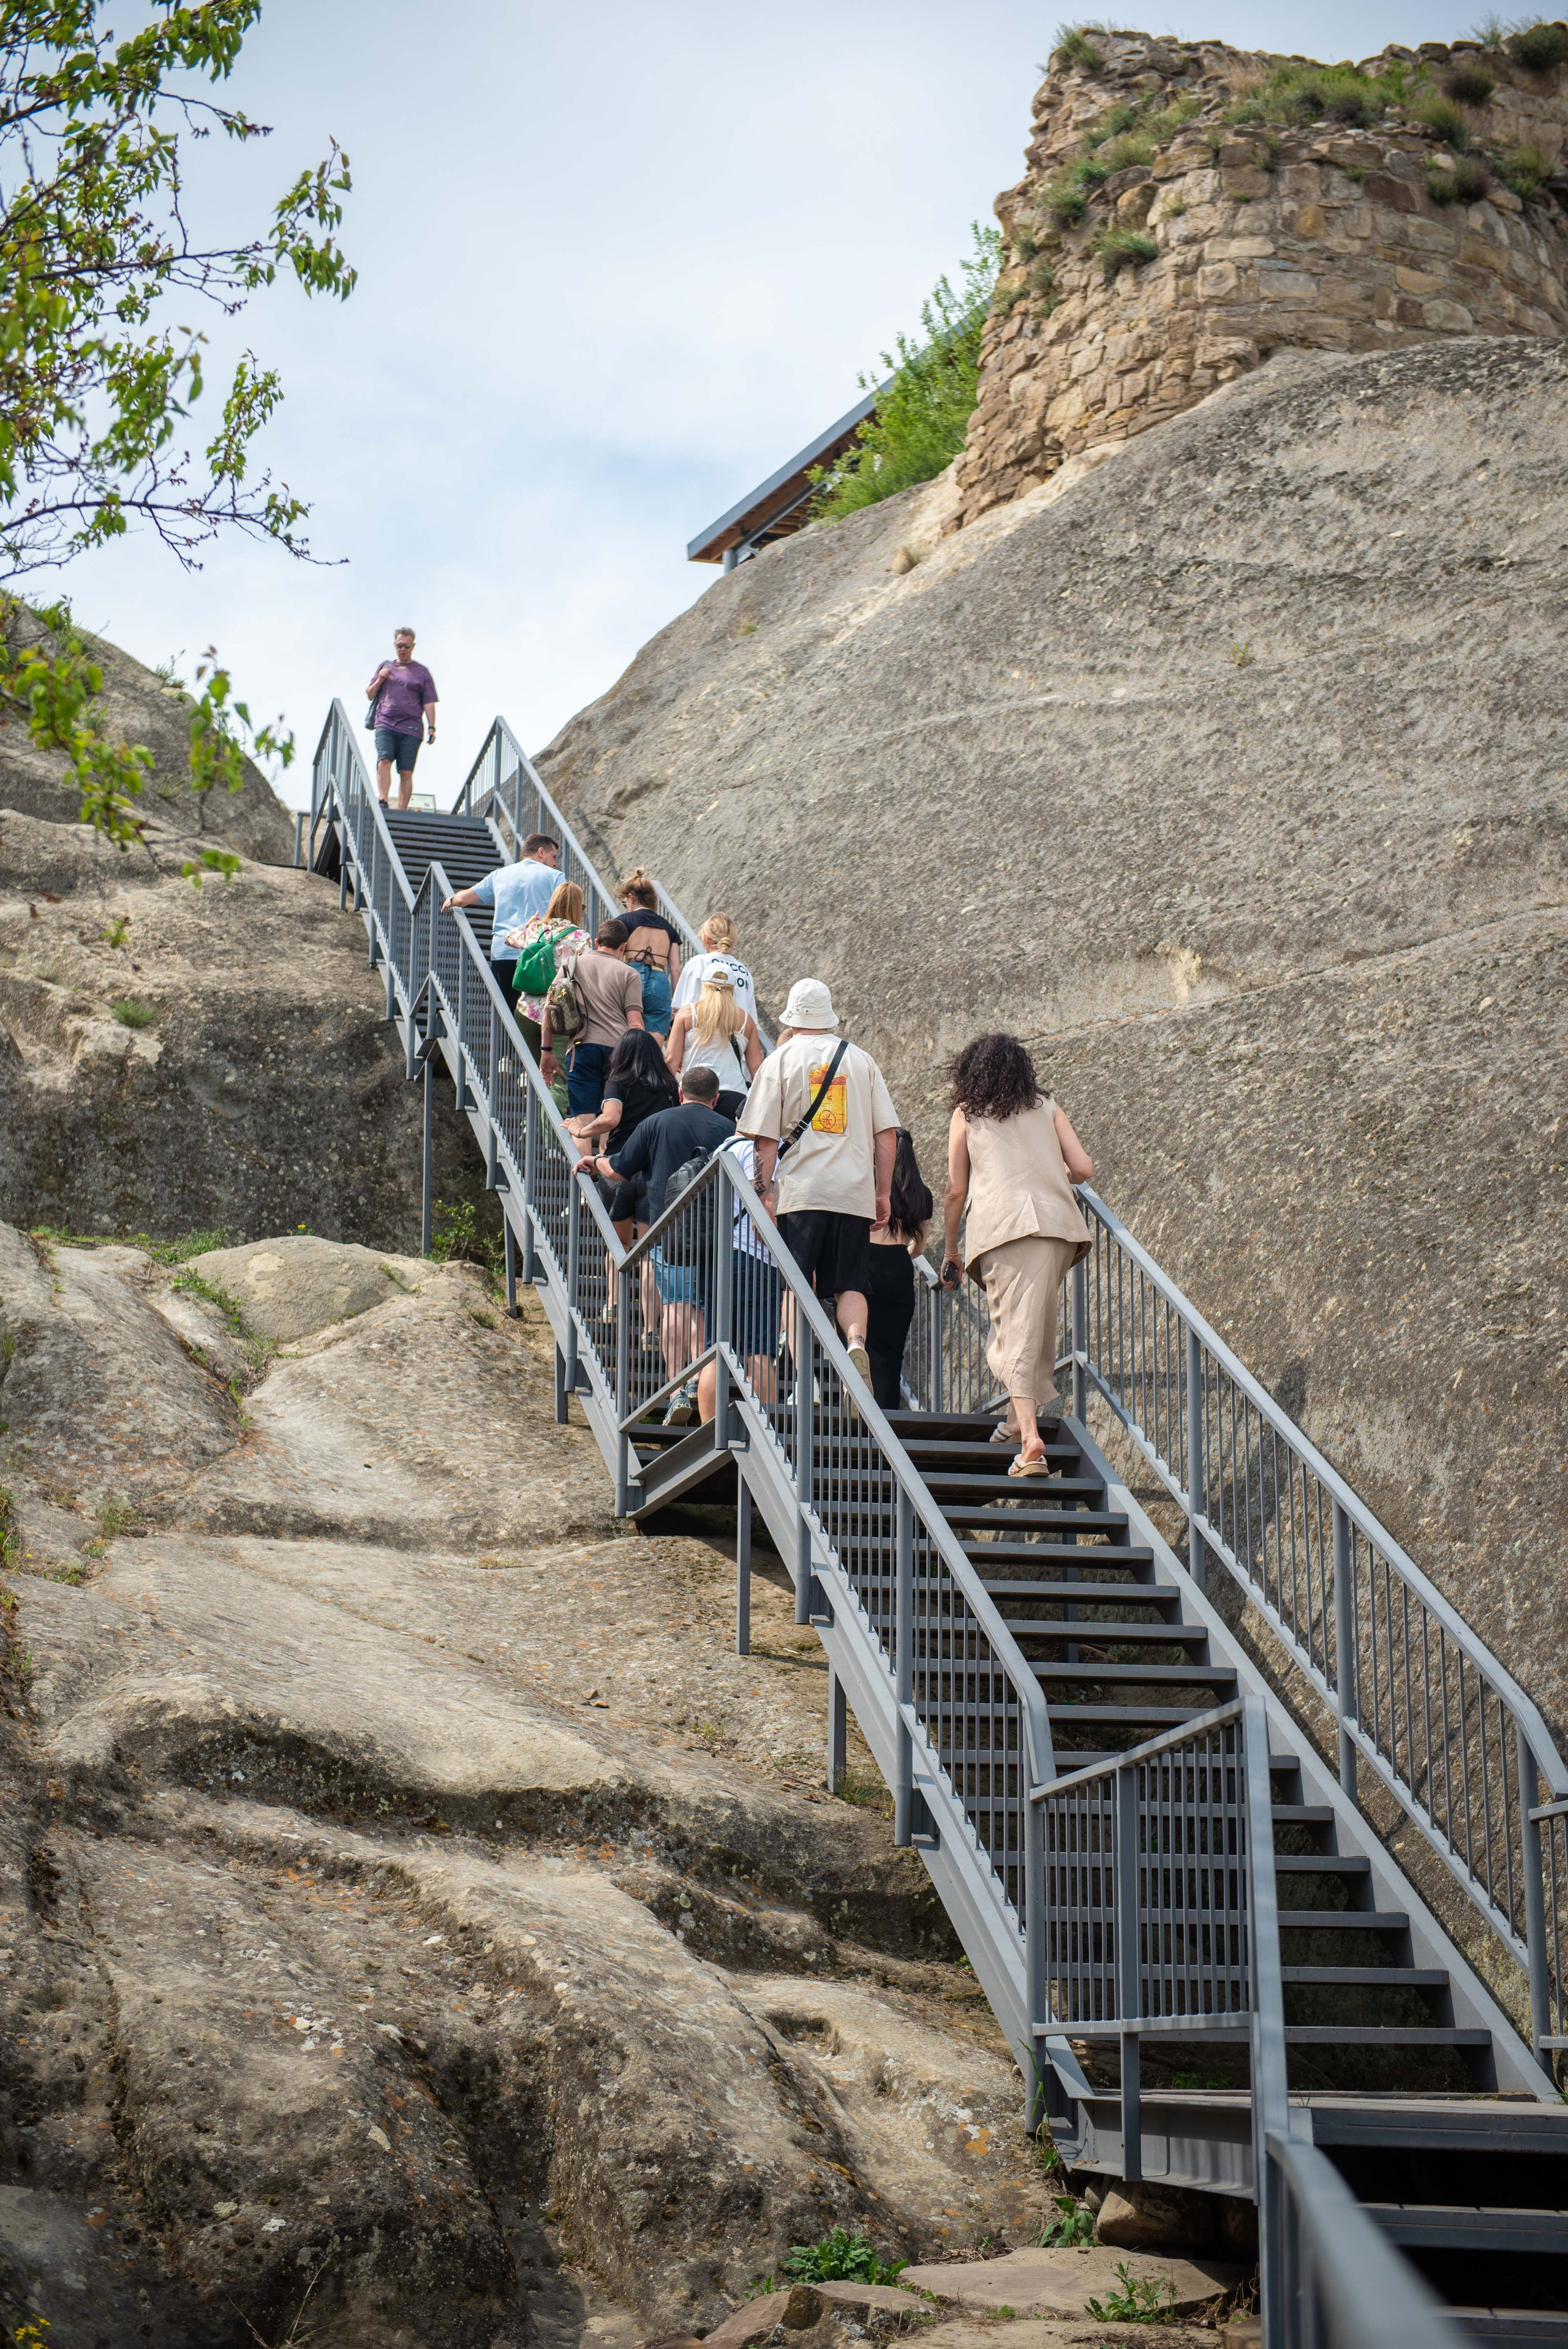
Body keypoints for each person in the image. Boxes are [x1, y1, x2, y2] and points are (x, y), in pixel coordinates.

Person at [939, 1032, 1093, 1477]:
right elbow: (1083, 1168)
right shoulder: (1046, 1106)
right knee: (1032, 1326)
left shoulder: (967, 1115)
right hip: (1059, 1227)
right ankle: (1012, 1420)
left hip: (1005, 1230)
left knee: (1010, 1335)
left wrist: (951, 1248)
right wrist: (1052, 1171)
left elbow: (955, 1190)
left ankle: (1030, 1441)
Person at [739, 977, 898, 1392]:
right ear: (827, 1015)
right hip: (854, 1192)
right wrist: (882, 1193)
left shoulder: (779, 1060)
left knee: (795, 1280)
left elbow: (765, 1142)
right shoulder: (861, 1061)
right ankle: (856, 1342)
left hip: (802, 1193)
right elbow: (887, 1134)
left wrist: (763, 1196)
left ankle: (804, 1375)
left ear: (793, 1015)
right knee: (851, 1282)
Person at [575, 1065, 735, 1420]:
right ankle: (699, 1379)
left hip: (669, 1228)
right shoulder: (729, 1129)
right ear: (716, 1099)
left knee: (677, 1306)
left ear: (680, 1093)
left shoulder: (656, 1122)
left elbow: (618, 1171)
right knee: (706, 1310)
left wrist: (596, 1160)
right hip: (717, 1233)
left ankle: (677, 1390)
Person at [694, 1131, 782, 1427]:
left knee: (717, 1349)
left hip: (718, 1258)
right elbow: (765, 1207)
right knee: (758, 1350)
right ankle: (767, 1435)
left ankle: (710, 1433)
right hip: (753, 1259)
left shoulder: (723, 1147)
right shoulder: (760, 1153)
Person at [567, 1028, 679, 1242]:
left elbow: (610, 1119)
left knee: (620, 1247)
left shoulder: (618, 1082)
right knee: (648, 1251)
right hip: (653, 1172)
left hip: (618, 1166)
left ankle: (615, 1278)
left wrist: (580, 1132)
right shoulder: (669, 1087)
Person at [544, 916, 643, 1118]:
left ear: (597, 942)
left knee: (582, 1119)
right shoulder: (630, 974)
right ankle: (605, 1150)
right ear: (623, 947)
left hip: (582, 1046)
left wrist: (547, 1051)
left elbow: (549, 1008)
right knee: (611, 1118)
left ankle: (581, 1152)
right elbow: (635, 1023)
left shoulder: (571, 965)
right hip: (619, 1053)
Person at [865, 1129, 935, 1414]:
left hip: (865, 1264)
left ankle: (854, 1415)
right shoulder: (921, 1193)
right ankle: (887, 1420)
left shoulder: (868, 1185)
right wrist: (899, 1255)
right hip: (899, 1269)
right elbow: (920, 1247)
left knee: (858, 1345)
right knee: (891, 1354)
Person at [442, 834, 560, 997]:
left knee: (507, 1010)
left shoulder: (499, 874)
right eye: (553, 857)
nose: (555, 863)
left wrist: (452, 899)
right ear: (541, 852)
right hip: (538, 954)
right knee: (537, 1012)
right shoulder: (555, 876)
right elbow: (564, 910)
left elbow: (463, 899)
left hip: (503, 952)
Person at [511, 881, 588, 1088]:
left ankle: (530, 1119)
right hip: (558, 1016)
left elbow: (510, 938)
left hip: (525, 1011)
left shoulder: (537, 929)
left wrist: (528, 925)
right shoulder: (581, 938)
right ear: (577, 907)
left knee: (535, 1074)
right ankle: (548, 1120)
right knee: (556, 1080)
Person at [664, 970, 764, 1120]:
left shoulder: (687, 1014)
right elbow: (757, 1068)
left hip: (694, 1092)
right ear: (732, 990)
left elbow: (672, 1059)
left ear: (703, 986)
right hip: (735, 1093)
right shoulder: (745, 1021)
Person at [364, 627, 437, 809]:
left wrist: (432, 727)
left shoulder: (422, 672)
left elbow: (429, 702)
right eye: (399, 646)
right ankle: (383, 800)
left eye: (406, 646)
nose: (402, 649)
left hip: (411, 727)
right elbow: (370, 694)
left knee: (406, 771)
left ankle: (402, 811)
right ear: (395, 645)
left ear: (413, 646)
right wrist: (380, 679)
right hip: (385, 722)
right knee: (384, 760)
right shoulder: (385, 666)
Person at [616, 868, 683, 1039]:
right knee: (654, 1042)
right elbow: (676, 970)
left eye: (625, 902)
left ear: (631, 898)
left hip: (631, 976)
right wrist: (676, 1005)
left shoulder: (624, 921)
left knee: (626, 1035)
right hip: (660, 980)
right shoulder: (668, 928)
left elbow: (615, 957)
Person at [669, 911, 759, 1028]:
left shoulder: (698, 963)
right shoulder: (744, 971)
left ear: (706, 939)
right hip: (735, 1040)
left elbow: (684, 1009)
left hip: (701, 1038)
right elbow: (751, 1019)